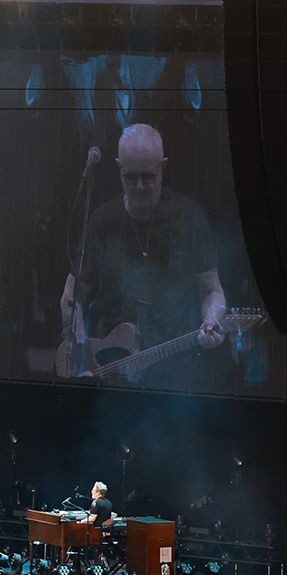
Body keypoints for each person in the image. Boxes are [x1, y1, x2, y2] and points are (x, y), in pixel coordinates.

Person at [60, 122, 229, 386]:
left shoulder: (188, 216)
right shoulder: (102, 222)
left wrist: (211, 321)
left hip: (174, 371)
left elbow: (211, 290)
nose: (139, 186)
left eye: (148, 177)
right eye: (131, 177)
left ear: (162, 167)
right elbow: (72, 296)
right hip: (111, 371)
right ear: (119, 169)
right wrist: (81, 354)